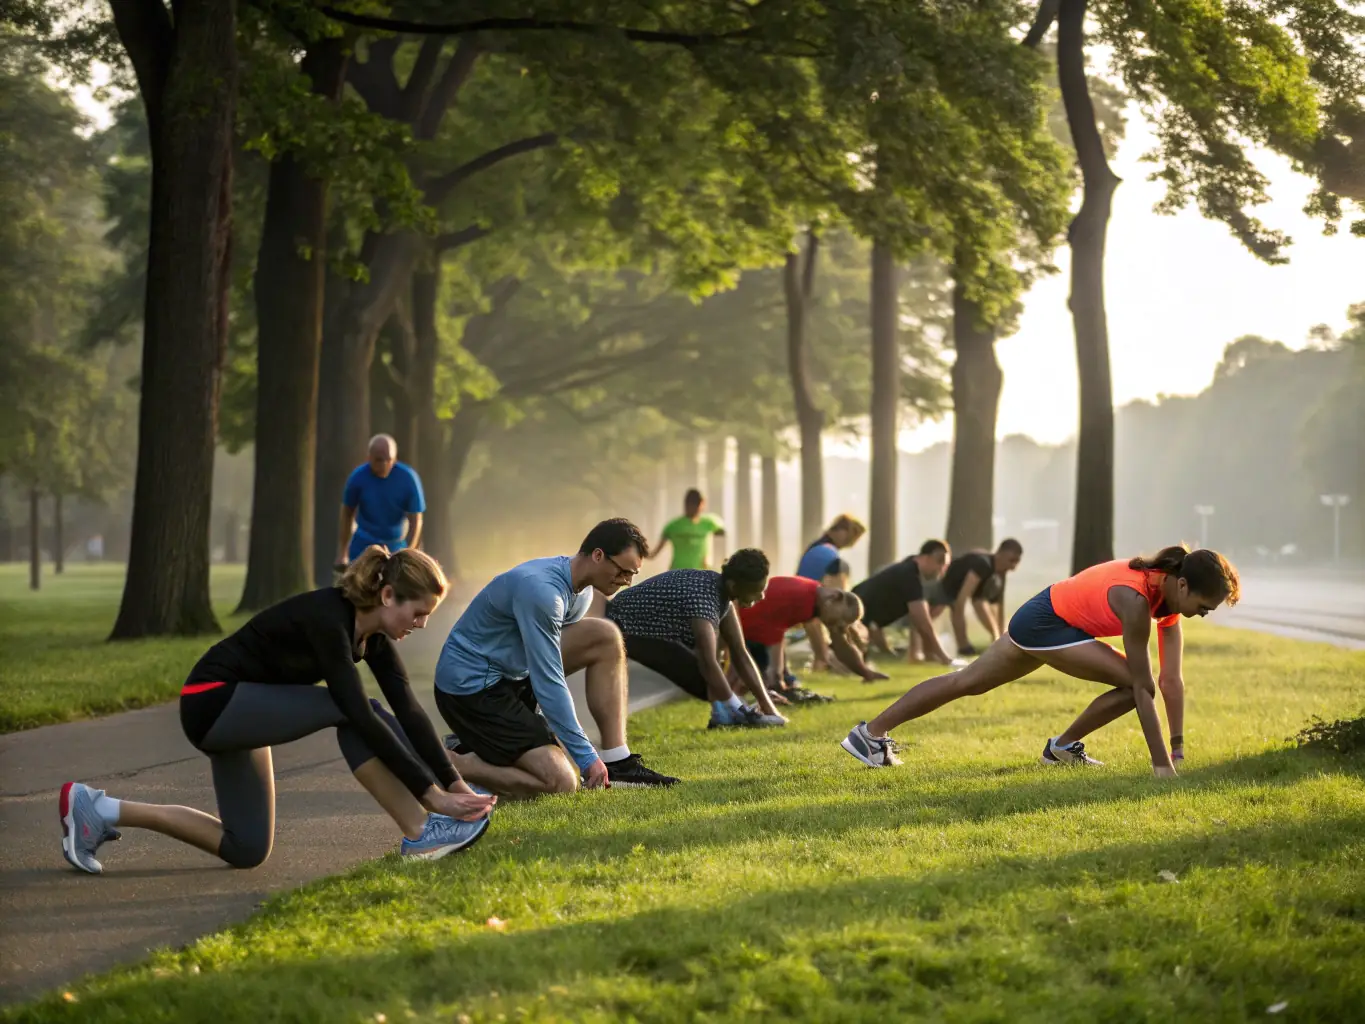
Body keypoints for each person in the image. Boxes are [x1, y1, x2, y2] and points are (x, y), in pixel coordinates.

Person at [59, 548, 496, 875]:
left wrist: (454, 782)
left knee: (246, 849)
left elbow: (409, 710)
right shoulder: (329, 619)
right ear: (387, 595)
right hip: (213, 699)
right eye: (418, 613)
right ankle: (421, 832)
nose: (420, 624)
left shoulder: (374, 638)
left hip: (241, 713)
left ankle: (99, 809)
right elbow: (359, 713)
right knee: (351, 712)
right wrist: (432, 795)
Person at [841, 546, 1241, 776]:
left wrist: (1178, 748)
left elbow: (1173, 680)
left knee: (967, 681)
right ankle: (1062, 748)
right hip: (1044, 622)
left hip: (1042, 616)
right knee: (1133, 683)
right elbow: (1143, 687)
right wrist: (1162, 768)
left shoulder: (1168, 599)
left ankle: (870, 734)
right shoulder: (1137, 600)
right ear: (1184, 585)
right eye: (1204, 607)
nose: (1204, 614)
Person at [435, 519, 678, 797]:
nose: (626, 582)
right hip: (471, 692)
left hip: (509, 676)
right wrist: (586, 757)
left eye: (632, 574)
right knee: (562, 782)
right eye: (623, 571)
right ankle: (452, 761)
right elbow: (548, 681)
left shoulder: (582, 591)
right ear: (598, 555)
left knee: (605, 637)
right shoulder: (543, 591)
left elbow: (544, 663)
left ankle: (617, 761)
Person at [599, 548, 788, 729]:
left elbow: (741, 653)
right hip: (620, 627)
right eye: (756, 590)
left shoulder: (723, 593)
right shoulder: (703, 599)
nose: (762, 596)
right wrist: (739, 707)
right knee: (704, 675)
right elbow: (707, 661)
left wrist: (770, 709)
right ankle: (729, 713)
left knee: (715, 670)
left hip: (650, 633)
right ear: (734, 585)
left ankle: (725, 714)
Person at [736, 576, 888, 703]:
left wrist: (865, 672)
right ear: (836, 597)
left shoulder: (818, 597)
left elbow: (840, 642)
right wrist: (777, 678)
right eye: (842, 620)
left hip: (752, 630)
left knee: (787, 685)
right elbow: (775, 636)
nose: (840, 626)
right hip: (743, 629)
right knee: (771, 685)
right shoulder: (805, 600)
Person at [912, 539, 1023, 660]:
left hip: (956, 591)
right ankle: (918, 652)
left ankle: (995, 641)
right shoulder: (982, 564)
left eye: (1017, 562)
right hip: (944, 584)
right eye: (1011, 561)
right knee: (927, 617)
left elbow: (997, 605)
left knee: (980, 602)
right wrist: (963, 644)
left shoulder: (998, 572)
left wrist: (1000, 638)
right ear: (1000, 554)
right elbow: (960, 602)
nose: (1013, 567)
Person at [852, 540, 955, 666]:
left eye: (945, 565)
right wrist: (945, 659)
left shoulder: (906, 569)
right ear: (925, 558)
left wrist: (886, 652)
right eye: (940, 562)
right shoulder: (909, 576)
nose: (942, 569)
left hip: (859, 625)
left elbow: (874, 620)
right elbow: (923, 624)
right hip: (851, 625)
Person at [336, 434, 425, 571]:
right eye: (378, 460)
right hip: (363, 545)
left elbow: (416, 519)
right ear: (369, 457)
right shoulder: (358, 477)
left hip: (395, 545)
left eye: (387, 459)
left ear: (394, 459)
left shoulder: (408, 479)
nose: (383, 464)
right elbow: (347, 514)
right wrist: (343, 553)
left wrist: (409, 552)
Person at [649, 488, 726, 570]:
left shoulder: (710, 523)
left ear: (702, 504)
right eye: (690, 504)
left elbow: (723, 535)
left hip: (701, 573)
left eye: (695, 504)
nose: (692, 507)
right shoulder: (673, 526)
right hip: (678, 574)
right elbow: (654, 554)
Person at [796, 513, 866, 589]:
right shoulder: (827, 554)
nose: (852, 542)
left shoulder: (815, 548)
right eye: (854, 534)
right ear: (842, 531)